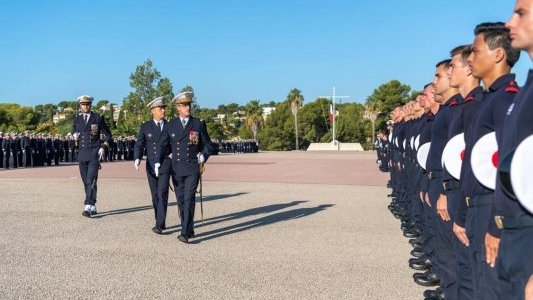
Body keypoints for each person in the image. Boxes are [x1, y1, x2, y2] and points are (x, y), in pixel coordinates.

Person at [155, 91, 213, 243]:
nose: (188, 108)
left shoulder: (198, 124)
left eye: (189, 105)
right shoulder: (171, 125)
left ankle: (185, 233)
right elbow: (162, 144)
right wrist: (158, 160)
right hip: (176, 168)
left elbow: (208, 144)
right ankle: (189, 227)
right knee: (181, 200)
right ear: (178, 107)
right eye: (185, 105)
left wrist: (203, 155)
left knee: (188, 198)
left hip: (192, 167)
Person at [134, 97, 172, 234]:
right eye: (160, 108)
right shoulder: (146, 126)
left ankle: (159, 224)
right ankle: (159, 218)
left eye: (163, 108)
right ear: (153, 111)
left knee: (162, 193)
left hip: (165, 163)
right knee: (155, 194)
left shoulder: (170, 125)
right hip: (150, 165)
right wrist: (137, 158)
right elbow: (140, 143)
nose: (163, 110)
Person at [71, 95, 112, 217]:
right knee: (86, 181)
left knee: (91, 180)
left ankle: (88, 205)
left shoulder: (97, 118)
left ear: (90, 105)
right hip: (82, 154)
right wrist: (73, 136)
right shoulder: (77, 119)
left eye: (87, 104)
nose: (85, 106)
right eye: (83, 104)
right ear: (80, 106)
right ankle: (93, 205)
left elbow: (109, 135)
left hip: (94, 153)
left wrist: (103, 147)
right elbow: (73, 131)